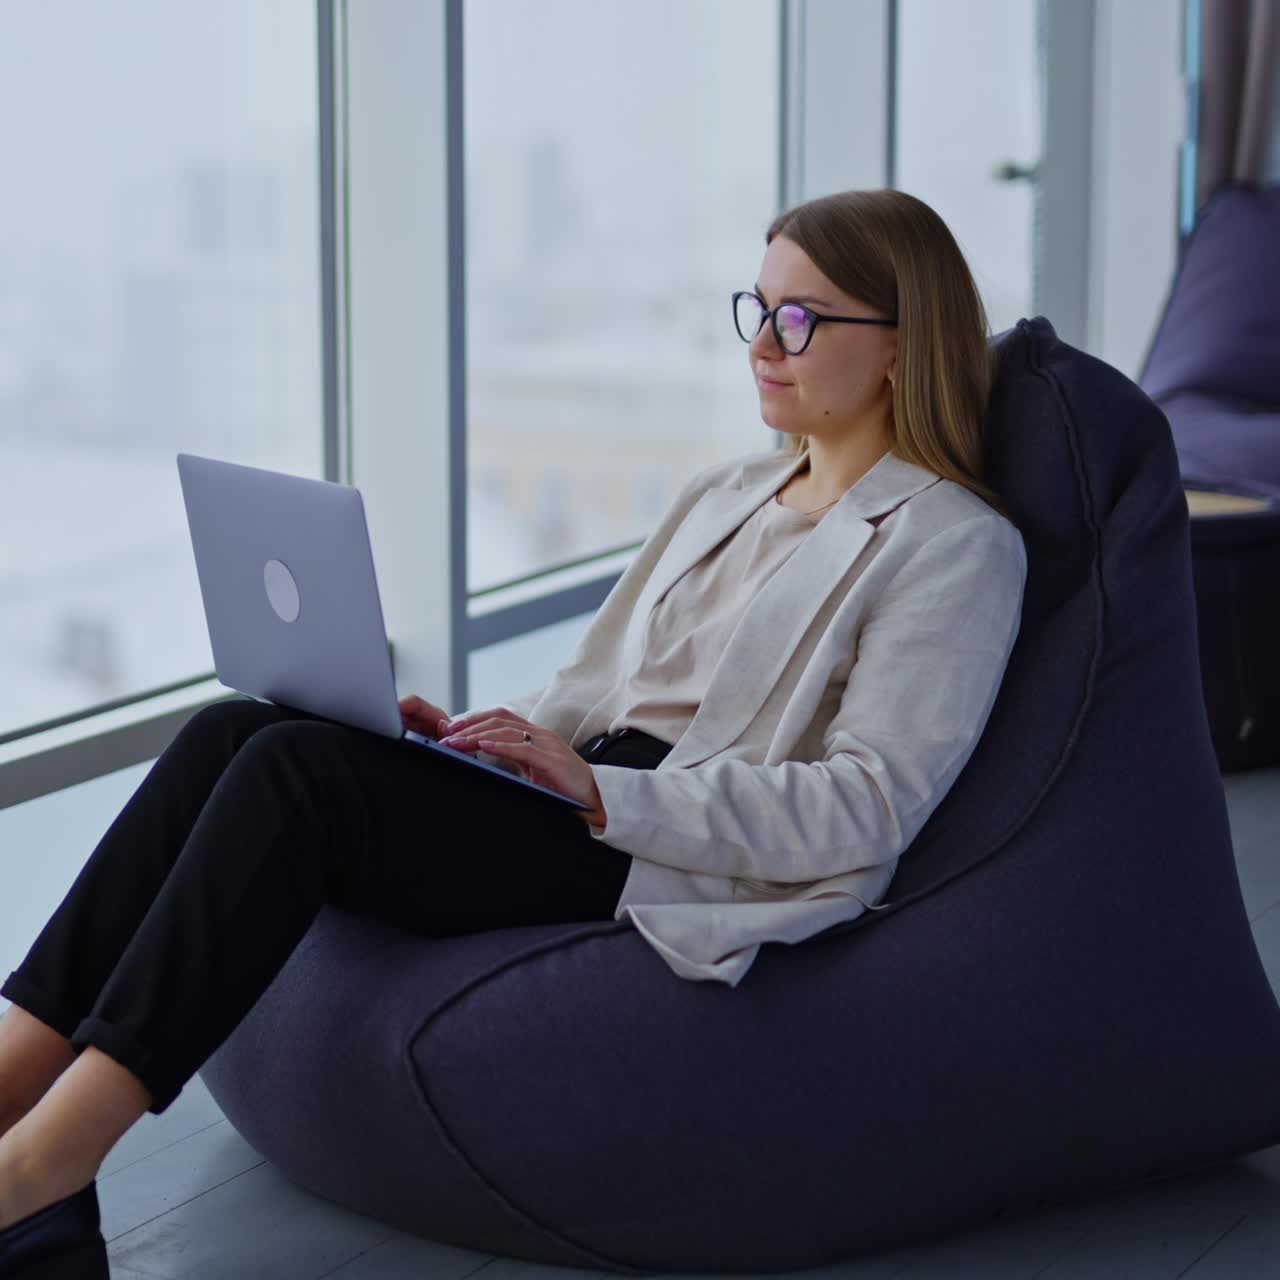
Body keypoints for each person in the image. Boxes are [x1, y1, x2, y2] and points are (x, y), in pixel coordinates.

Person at [0, 187, 1026, 1275]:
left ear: (901, 351)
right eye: (758, 308)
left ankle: (42, 1175)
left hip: (662, 842)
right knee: (231, 732)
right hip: (576, 792)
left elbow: (868, 808)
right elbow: (594, 685)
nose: (764, 345)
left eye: (803, 319)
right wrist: (469, 747)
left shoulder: (952, 544)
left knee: (297, 780)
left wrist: (594, 795)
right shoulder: (727, 490)